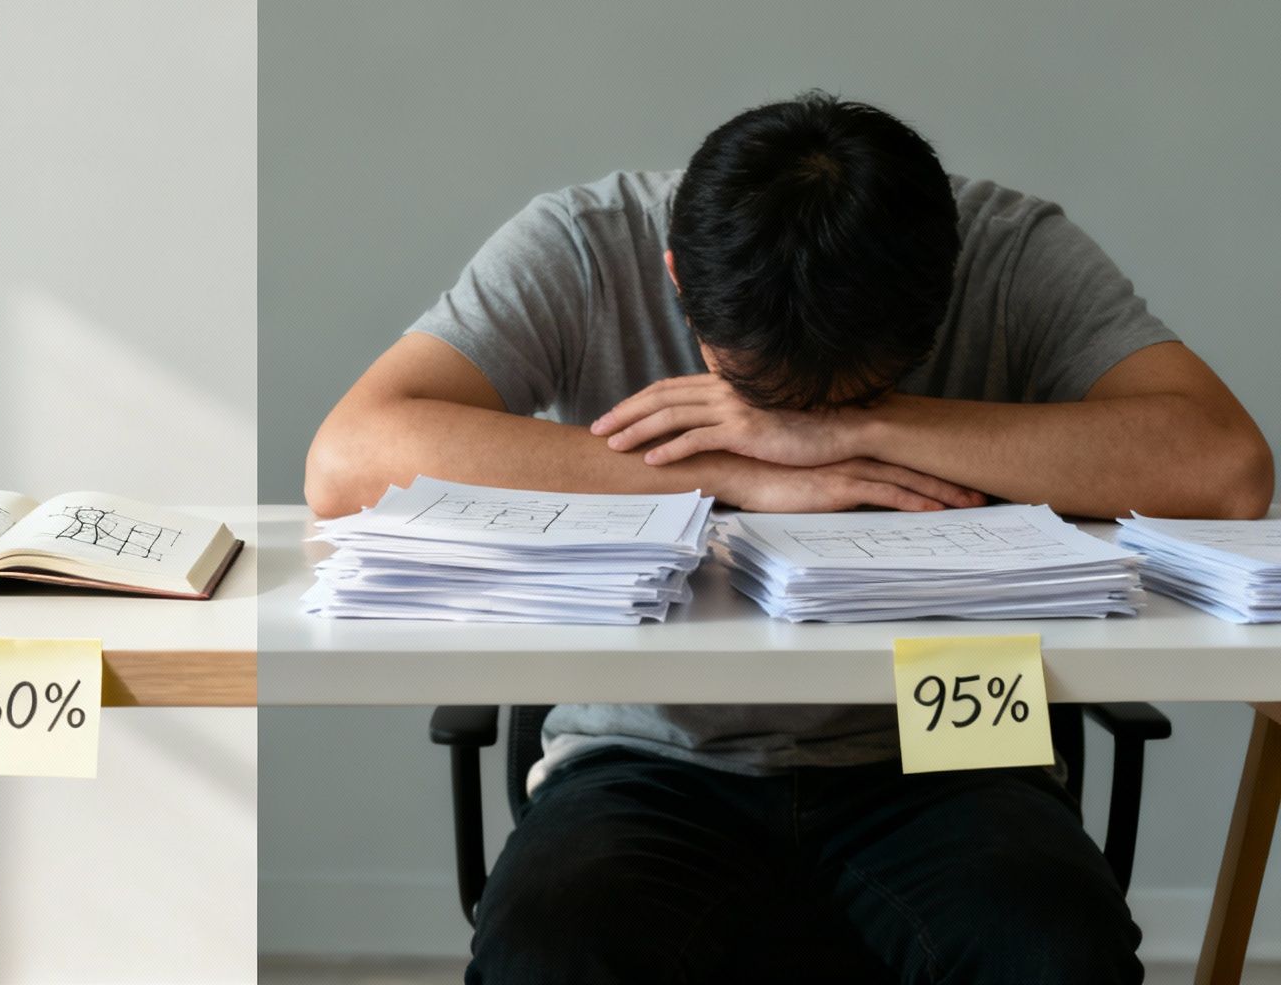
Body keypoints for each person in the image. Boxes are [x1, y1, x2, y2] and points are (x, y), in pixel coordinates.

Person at [304, 93, 1273, 983]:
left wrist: (857, 432)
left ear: (940, 294)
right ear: (678, 279)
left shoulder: (1010, 246)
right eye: (758, 394)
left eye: (855, 391)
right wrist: (727, 472)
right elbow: (349, 460)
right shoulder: (583, 241)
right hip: (647, 747)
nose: (808, 419)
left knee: (1049, 949)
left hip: (955, 738)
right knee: (551, 945)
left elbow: (1223, 469)